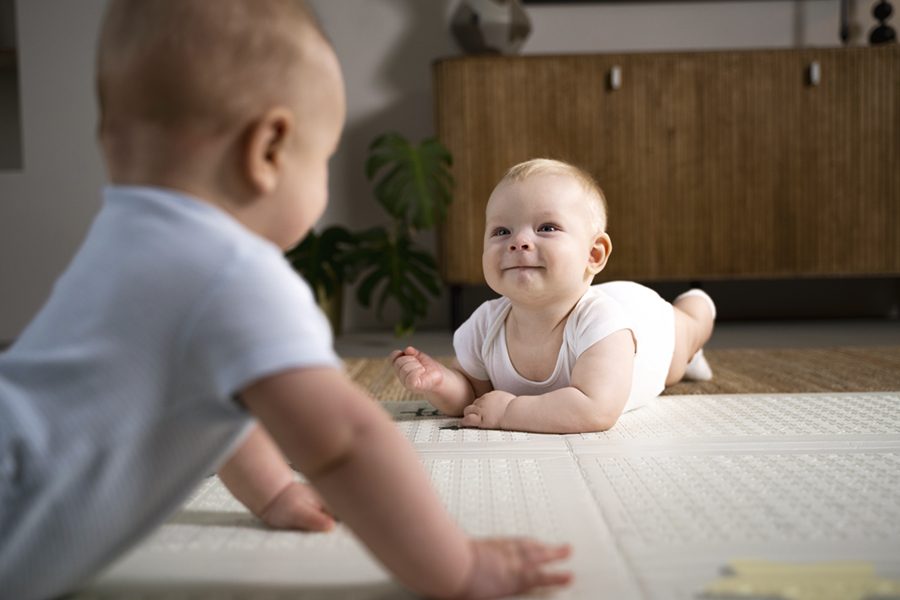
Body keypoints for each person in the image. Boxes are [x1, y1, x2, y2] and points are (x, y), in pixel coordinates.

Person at [0, 3, 573, 599]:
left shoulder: (121, 240)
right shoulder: (236, 274)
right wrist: (456, 567)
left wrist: (272, 490)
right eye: (322, 158)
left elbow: (211, 399)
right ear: (269, 149)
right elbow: (346, 441)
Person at [392, 158, 716, 433]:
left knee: (683, 347)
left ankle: (699, 305)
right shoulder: (486, 323)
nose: (518, 241)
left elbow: (595, 409)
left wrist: (509, 413)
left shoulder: (604, 324)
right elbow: (474, 395)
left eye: (546, 227)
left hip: (651, 323)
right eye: (501, 231)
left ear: (593, 254)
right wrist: (439, 383)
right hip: (616, 305)